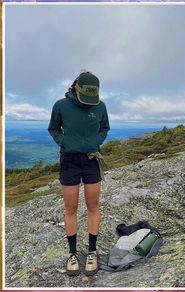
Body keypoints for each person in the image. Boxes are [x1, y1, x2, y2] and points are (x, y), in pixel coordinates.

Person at [48, 71, 110, 276]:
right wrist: (65, 142)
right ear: (75, 87)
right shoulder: (60, 106)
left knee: (93, 205)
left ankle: (92, 252)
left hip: (92, 159)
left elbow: (105, 128)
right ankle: (72, 253)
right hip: (70, 161)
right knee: (70, 207)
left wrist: (95, 142)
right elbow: (54, 129)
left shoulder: (100, 106)